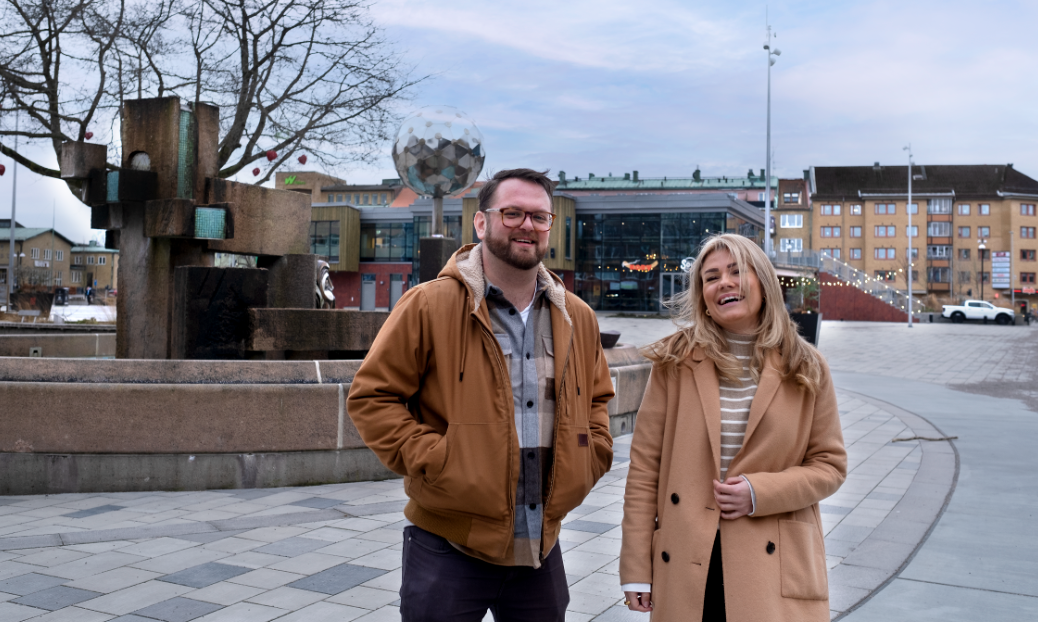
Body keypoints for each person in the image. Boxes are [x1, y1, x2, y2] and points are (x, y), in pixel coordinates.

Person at [347, 168, 615, 622]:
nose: (526, 225)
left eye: (539, 216)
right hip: (448, 548)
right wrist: (438, 458)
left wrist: (591, 455)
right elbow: (373, 397)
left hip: (540, 548)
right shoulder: (429, 304)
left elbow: (596, 400)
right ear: (481, 222)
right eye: (511, 213)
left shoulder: (578, 317)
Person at [619, 233, 846, 621]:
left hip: (771, 559)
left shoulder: (805, 365)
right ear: (702, 295)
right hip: (689, 555)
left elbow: (830, 465)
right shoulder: (674, 361)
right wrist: (636, 567)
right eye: (710, 277)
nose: (723, 282)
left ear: (763, 282)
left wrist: (760, 492)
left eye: (736, 271)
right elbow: (645, 469)